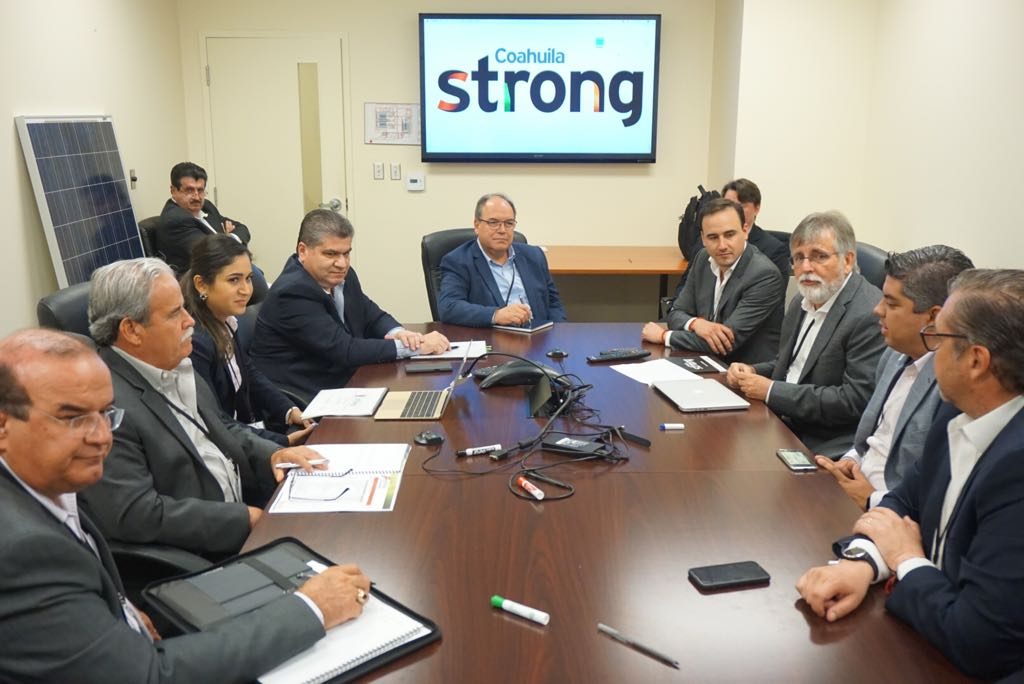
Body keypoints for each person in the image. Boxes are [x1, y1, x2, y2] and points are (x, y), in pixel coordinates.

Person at [0, 328, 371, 683]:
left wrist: (121, 608)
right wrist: (311, 609)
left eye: (106, 414)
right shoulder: (23, 551)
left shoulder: (42, 481)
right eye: (73, 418)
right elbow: (149, 676)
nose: (101, 438)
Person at [796, 269, 1024, 680]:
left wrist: (904, 558)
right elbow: (903, 502)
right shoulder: (957, 411)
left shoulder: (1017, 469)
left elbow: (979, 641)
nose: (929, 349)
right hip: (926, 636)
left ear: (976, 361)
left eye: (938, 337)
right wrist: (861, 564)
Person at [81, 258, 322, 557]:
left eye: (184, 308)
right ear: (131, 330)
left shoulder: (175, 363)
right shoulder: (103, 406)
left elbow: (222, 426)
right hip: (209, 550)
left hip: (247, 506)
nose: (190, 321)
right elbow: (137, 513)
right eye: (174, 314)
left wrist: (273, 454)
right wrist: (242, 519)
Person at [816, 246, 974, 509]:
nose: (877, 310)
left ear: (934, 317)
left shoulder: (955, 385)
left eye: (891, 303)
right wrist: (850, 460)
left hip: (892, 511)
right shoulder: (894, 353)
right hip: (854, 488)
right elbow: (875, 438)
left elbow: (936, 488)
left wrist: (871, 499)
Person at [726, 211, 885, 457]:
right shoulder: (802, 301)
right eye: (798, 258)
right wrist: (753, 371)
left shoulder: (868, 314)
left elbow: (853, 400)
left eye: (819, 256)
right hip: (783, 420)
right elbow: (793, 365)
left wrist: (771, 390)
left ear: (847, 260)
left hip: (824, 440)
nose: (806, 268)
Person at [251, 209, 450, 400]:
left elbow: (370, 314)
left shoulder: (341, 275)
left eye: (346, 254)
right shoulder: (292, 292)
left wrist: (399, 333)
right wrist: (416, 348)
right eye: (331, 254)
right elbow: (344, 350)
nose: (342, 263)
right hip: (307, 395)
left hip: (345, 381)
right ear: (303, 251)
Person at [181, 234, 314, 447]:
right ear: (201, 285)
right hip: (229, 447)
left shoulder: (225, 321)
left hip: (248, 435)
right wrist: (280, 442)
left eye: (248, 278)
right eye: (234, 280)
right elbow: (216, 421)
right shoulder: (196, 342)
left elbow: (249, 374)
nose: (246, 290)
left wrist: (290, 411)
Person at [641, 197, 784, 364]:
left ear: (745, 231)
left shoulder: (764, 275)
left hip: (744, 370)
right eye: (713, 237)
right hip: (704, 361)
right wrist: (696, 324)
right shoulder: (703, 258)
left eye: (729, 235)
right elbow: (676, 312)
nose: (722, 245)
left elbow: (726, 342)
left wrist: (665, 336)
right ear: (703, 238)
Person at [437, 193, 566, 327]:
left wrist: (558, 332)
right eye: (493, 223)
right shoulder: (458, 261)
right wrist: (496, 315)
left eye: (509, 223)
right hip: (495, 336)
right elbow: (449, 307)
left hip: (538, 335)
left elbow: (553, 304)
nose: (502, 230)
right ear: (477, 225)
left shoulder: (534, 256)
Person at [153, 162, 251, 274]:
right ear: (173, 190)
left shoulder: (206, 207)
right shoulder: (175, 220)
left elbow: (242, 229)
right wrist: (227, 239)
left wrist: (228, 238)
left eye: (200, 190)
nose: (197, 197)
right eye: (189, 190)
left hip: (226, 271)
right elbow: (212, 253)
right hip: (201, 279)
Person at [721, 178, 790, 278]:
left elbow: (773, 287)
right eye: (728, 205)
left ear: (756, 209)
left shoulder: (774, 250)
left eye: (741, 206)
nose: (733, 211)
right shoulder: (710, 243)